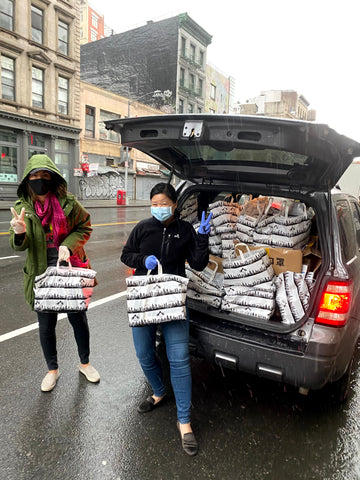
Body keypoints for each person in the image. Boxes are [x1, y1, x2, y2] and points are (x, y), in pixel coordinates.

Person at [121, 182, 212, 456]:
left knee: (180, 358)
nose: (159, 208)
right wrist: (142, 259)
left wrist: (202, 237)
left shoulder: (184, 230)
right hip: (145, 299)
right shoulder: (142, 228)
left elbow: (197, 264)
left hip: (173, 300)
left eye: (164, 203)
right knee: (144, 353)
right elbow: (125, 254)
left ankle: (184, 421)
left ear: (174, 204)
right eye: (155, 203)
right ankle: (159, 391)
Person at [9, 154, 100, 392]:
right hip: (42, 275)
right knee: (46, 325)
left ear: (53, 179)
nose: (39, 180)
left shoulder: (68, 203)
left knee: (78, 320)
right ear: (27, 181)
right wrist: (19, 232)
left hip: (70, 272)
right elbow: (19, 245)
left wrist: (67, 245)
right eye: (34, 176)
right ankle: (52, 370)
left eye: (45, 176)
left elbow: (85, 226)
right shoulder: (22, 209)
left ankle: (85, 363)